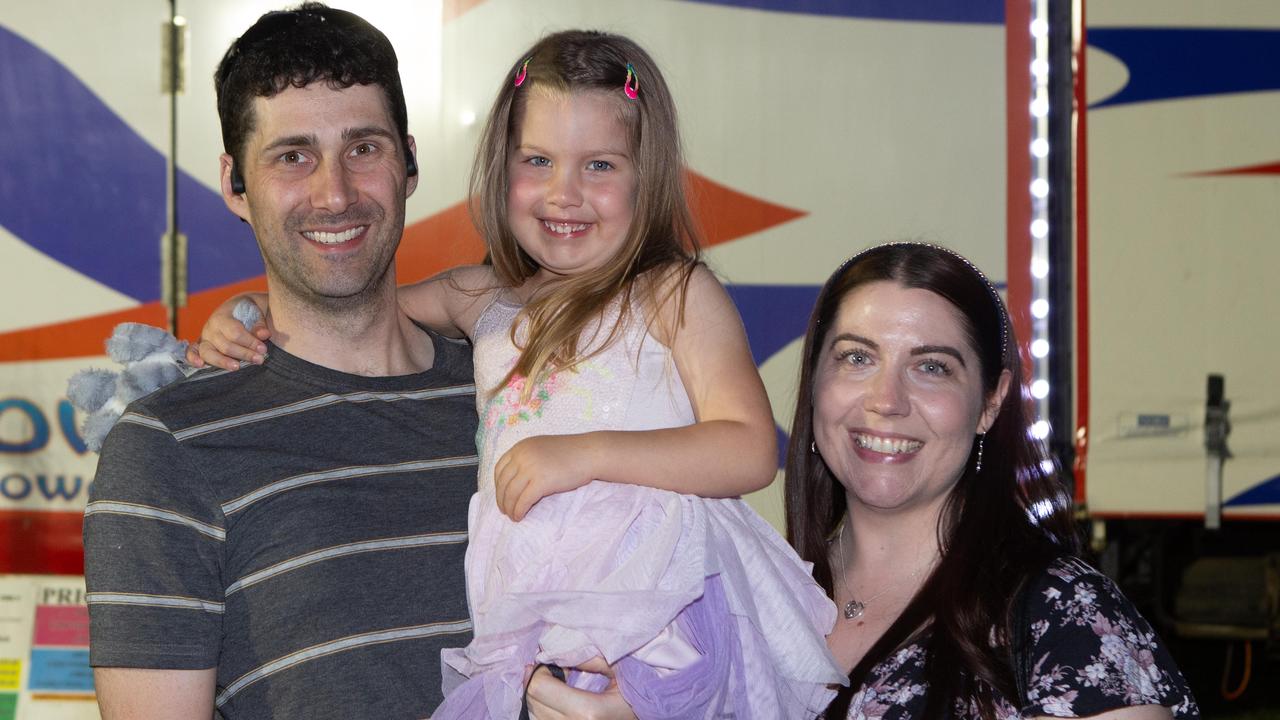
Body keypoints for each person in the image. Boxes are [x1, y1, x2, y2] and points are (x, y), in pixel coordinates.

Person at [196, 29, 846, 719]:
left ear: (646, 174)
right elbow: (342, 310)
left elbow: (748, 448)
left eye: (599, 165)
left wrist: (586, 456)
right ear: (501, 169)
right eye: (537, 160)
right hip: (531, 623)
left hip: (658, 614)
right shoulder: (480, 298)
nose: (564, 195)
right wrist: (245, 313)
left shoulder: (671, 293)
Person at [82, 5, 479, 718]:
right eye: (292, 156)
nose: (335, 193)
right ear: (235, 185)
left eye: (363, 147)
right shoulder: (168, 449)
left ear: (409, 162)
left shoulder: (523, 391)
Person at [784, 242, 1199, 719]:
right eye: (857, 358)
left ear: (990, 404)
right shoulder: (754, 594)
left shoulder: (1060, 613)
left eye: (932, 366)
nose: (886, 400)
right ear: (815, 382)